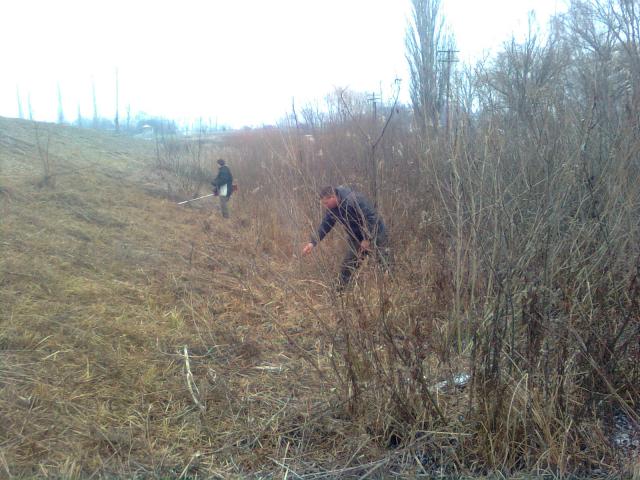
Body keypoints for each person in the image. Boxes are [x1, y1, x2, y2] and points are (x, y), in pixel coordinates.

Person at [302, 185, 389, 291]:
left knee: (383, 262)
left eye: (326, 203)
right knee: (348, 264)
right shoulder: (333, 209)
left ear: (333, 197)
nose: (325, 206)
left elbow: (372, 218)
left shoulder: (354, 200)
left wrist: (367, 239)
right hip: (356, 237)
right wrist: (312, 243)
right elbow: (325, 225)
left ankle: (389, 287)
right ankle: (339, 291)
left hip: (376, 233)